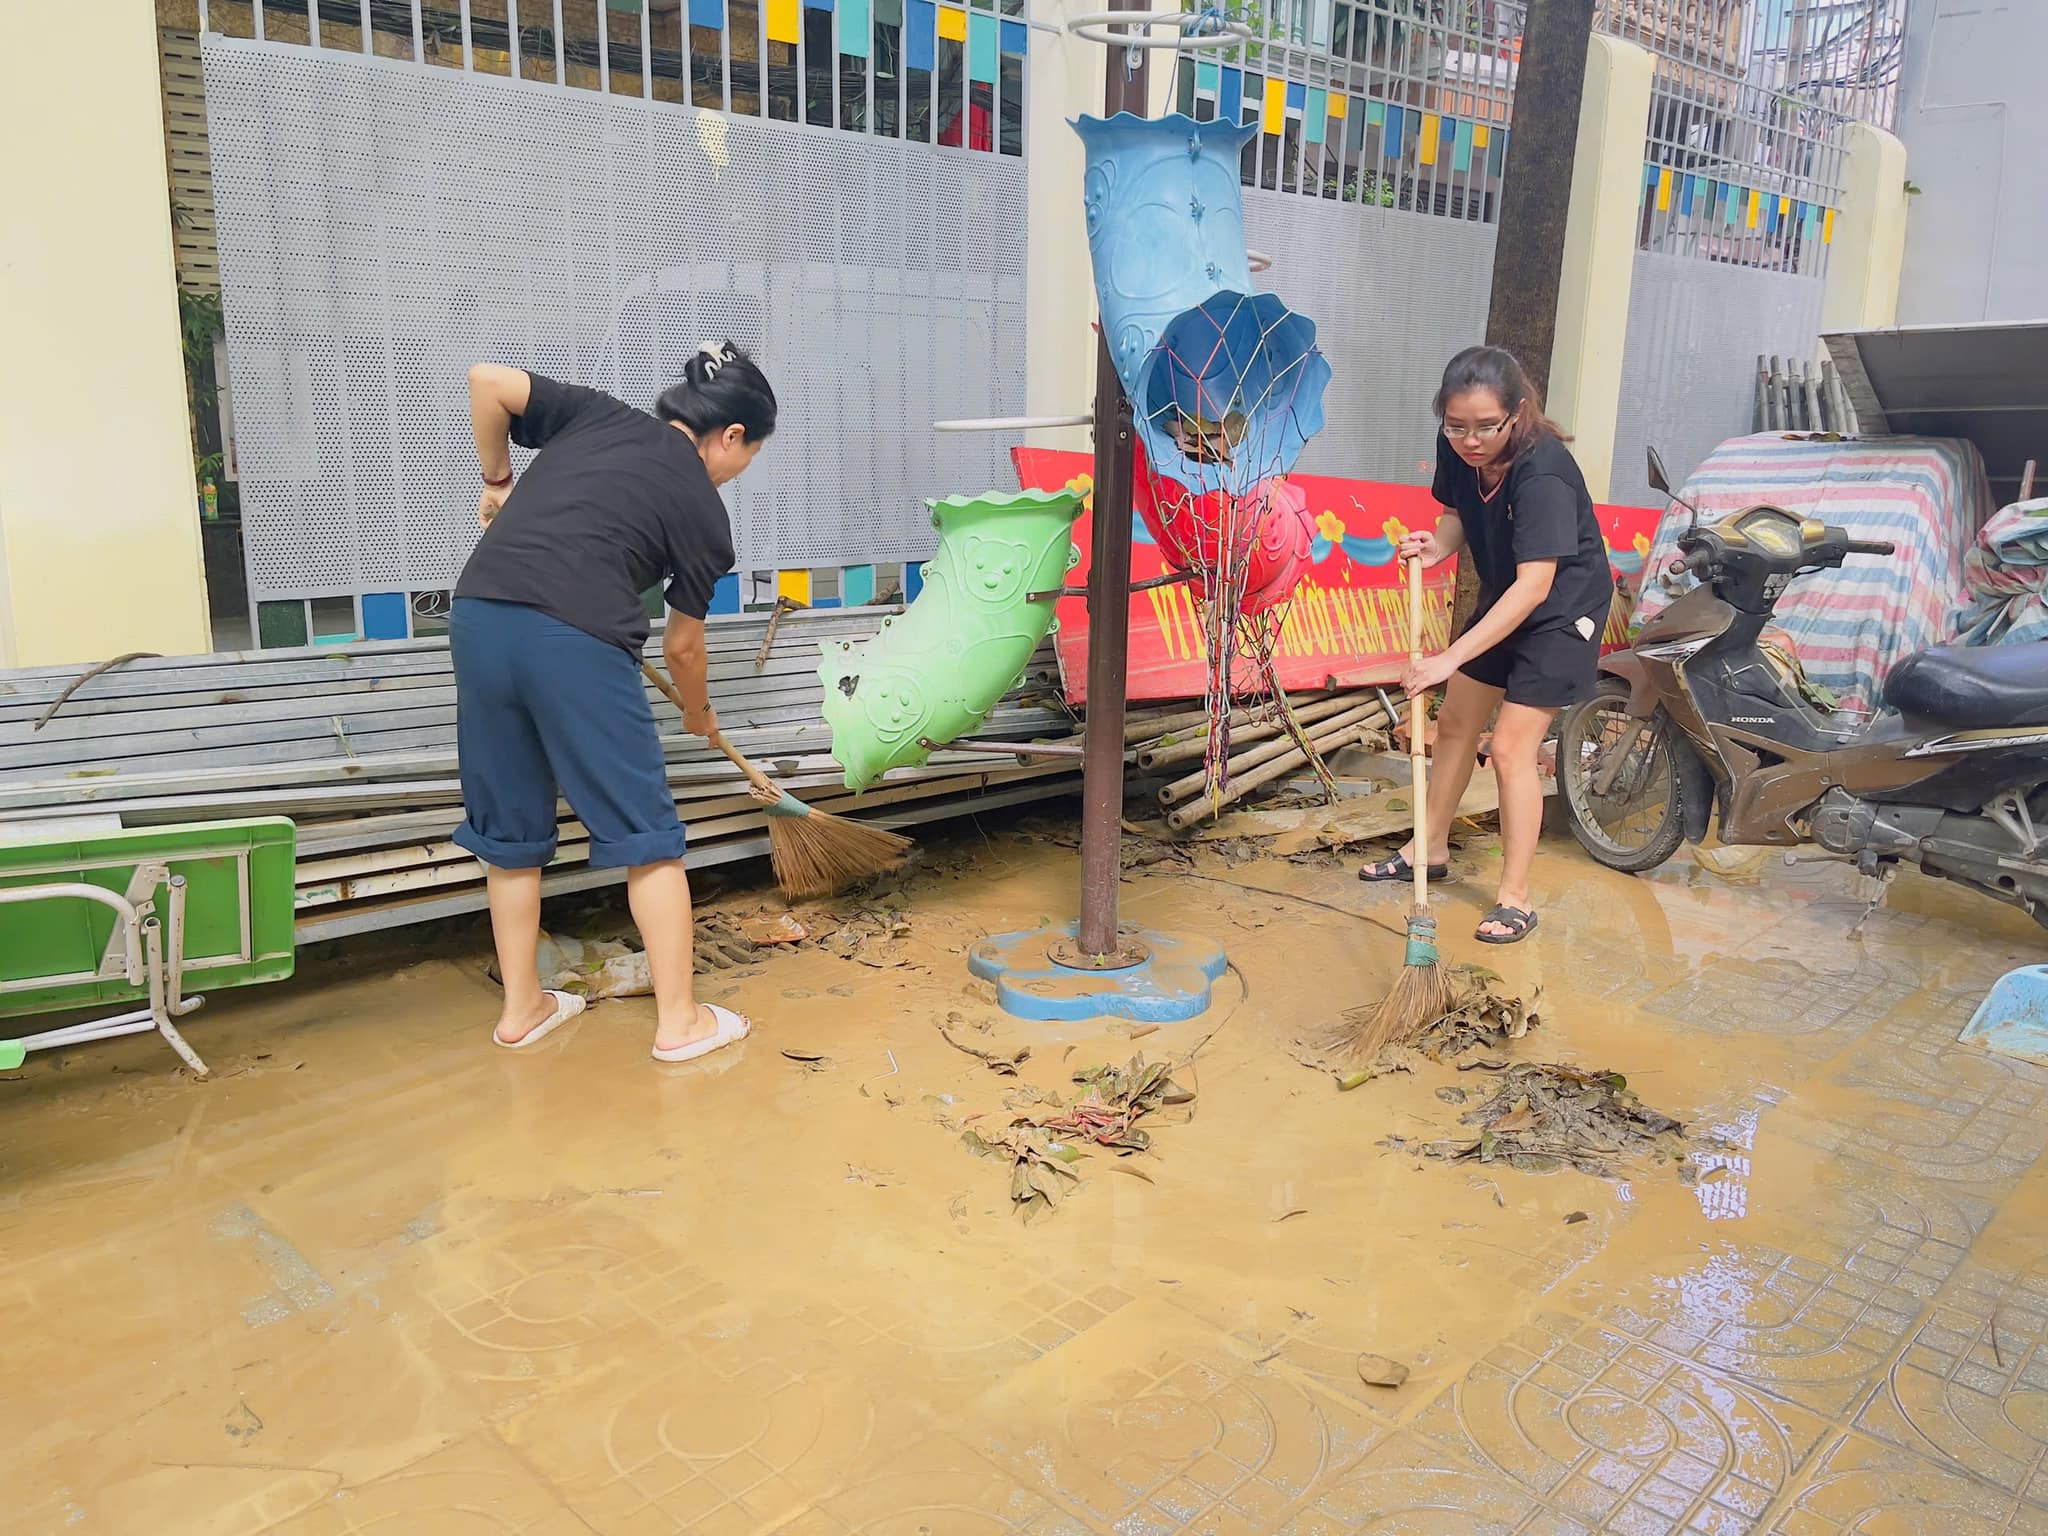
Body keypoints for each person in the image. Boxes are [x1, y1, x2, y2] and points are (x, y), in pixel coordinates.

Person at [451, 342, 776, 1059]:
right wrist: (698, 712)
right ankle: (681, 1022)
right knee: (647, 835)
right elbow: (683, 649)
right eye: (746, 457)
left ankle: (522, 1009)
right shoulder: (702, 513)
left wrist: (497, 480)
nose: (737, 473)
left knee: (508, 835)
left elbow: (488, 382)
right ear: (729, 436)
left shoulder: (597, 416)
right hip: (572, 636)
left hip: (478, 616)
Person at [1360, 345, 1613, 944]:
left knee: (1508, 748)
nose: (1470, 440)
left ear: (1517, 414)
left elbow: (1537, 585)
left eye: (1485, 427)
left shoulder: (1543, 472)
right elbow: (1457, 514)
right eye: (1456, 427)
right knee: (1453, 724)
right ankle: (1429, 849)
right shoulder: (1463, 454)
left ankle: (1514, 899)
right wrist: (1435, 549)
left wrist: (1451, 655)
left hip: (1560, 613)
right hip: (1507, 599)